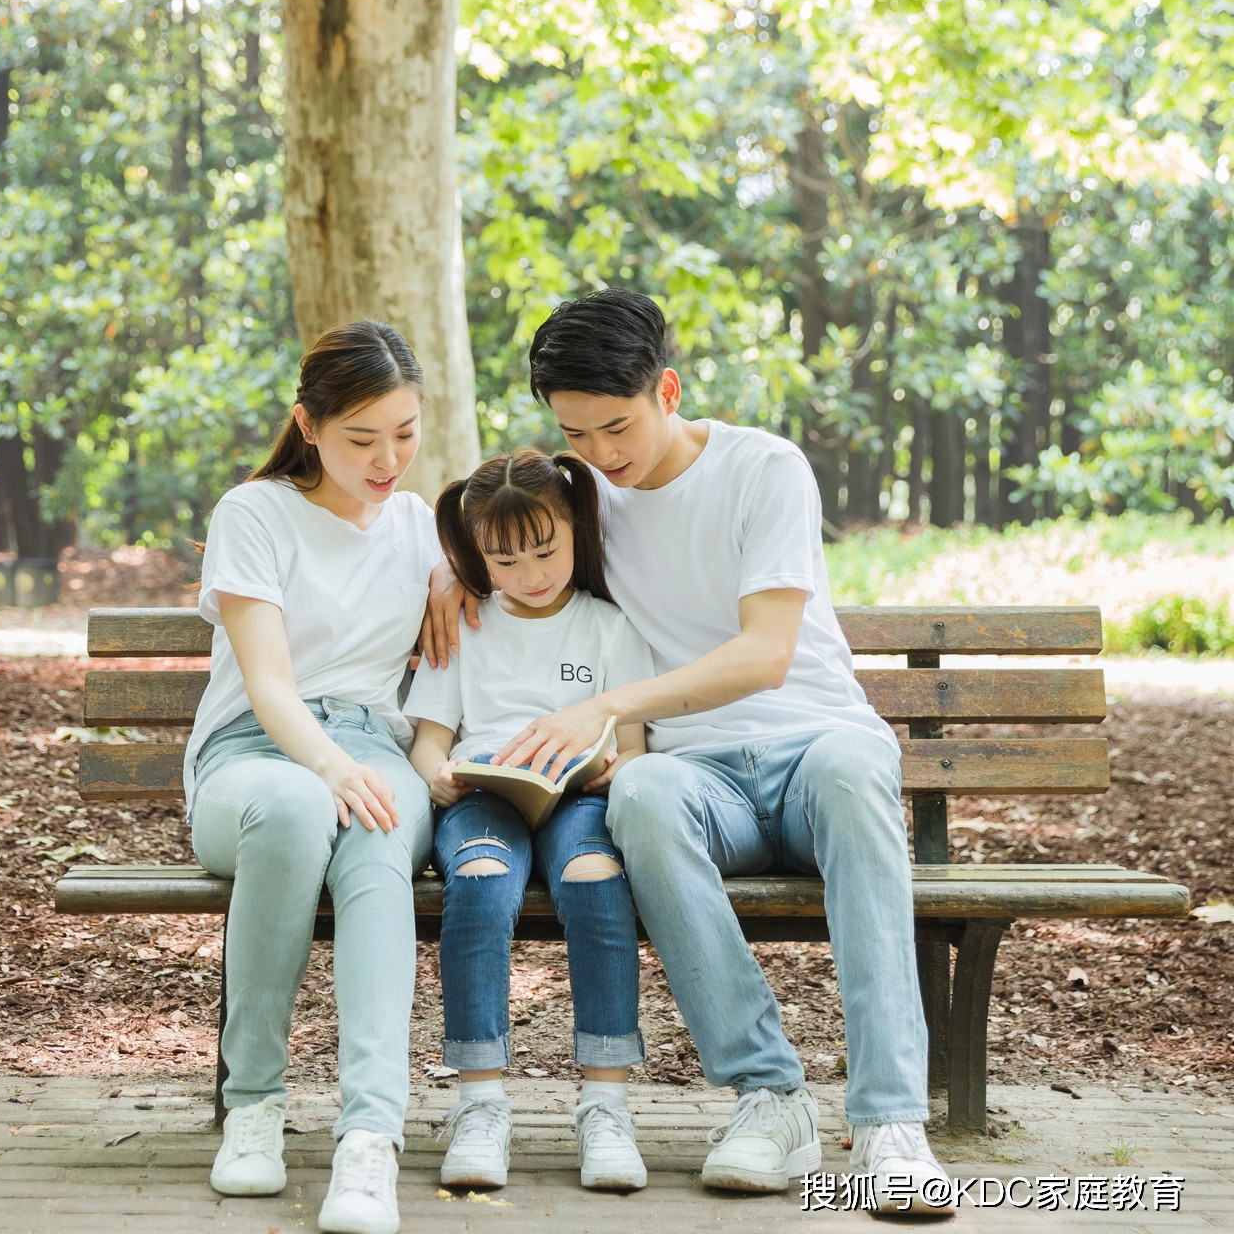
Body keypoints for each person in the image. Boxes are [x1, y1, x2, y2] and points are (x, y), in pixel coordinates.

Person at [432, 288, 954, 1216]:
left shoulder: (765, 469)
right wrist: (449, 572)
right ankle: (769, 1096)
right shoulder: (590, 494)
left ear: (667, 390)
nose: (600, 455)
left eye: (617, 426)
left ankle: (888, 1123)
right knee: (641, 799)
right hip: (696, 776)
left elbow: (766, 653)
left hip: (813, 745)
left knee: (852, 771)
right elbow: (510, 538)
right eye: (577, 433)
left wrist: (609, 702)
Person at [189, 320, 443, 1234]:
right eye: (361, 438)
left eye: (406, 433)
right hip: (255, 752)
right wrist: (328, 768)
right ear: (308, 424)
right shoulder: (252, 514)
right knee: (299, 808)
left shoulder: (421, 524)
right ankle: (253, 1103)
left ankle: (370, 1137)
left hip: (374, 745)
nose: (387, 460)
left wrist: (453, 578)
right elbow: (268, 683)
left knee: (377, 838)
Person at [402, 449, 656, 1193]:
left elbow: (635, 747)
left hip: (580, 797)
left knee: (597, 878)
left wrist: (608, 770)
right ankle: (480, 1103)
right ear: (478, 555)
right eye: (506, 560)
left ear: (576, 530)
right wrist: (438, 780)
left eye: (546, 552)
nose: (531, 575)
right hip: (484, 796)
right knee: (479, 882)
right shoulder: (468, 625)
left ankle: (605, 1105)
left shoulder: (609, 627)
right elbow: (428, 742)